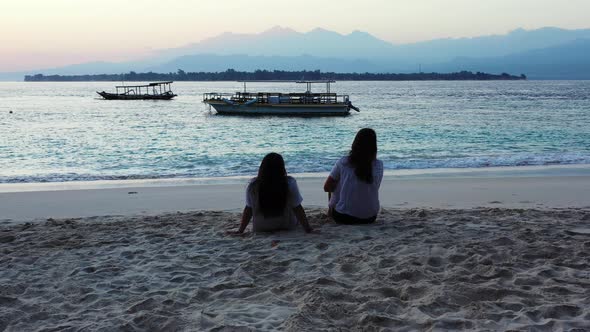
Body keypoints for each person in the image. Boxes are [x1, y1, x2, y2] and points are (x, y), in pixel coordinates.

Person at [233, 152, 314, 234]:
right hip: (286, 225)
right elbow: (297, 208)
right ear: (282, 167)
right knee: (294, 215)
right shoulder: (289, 182)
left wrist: (240, 230)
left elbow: (248, 209)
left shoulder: (253, 185)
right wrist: (308, 229)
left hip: (261, 227)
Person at [324, 128, 383, 224]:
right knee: (348, 182)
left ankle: (331, 211)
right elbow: (375, 187)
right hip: (370, 217)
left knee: (337, 182)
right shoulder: (379, 165)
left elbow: (327, 187)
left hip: (344, 217)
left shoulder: (344, 162)